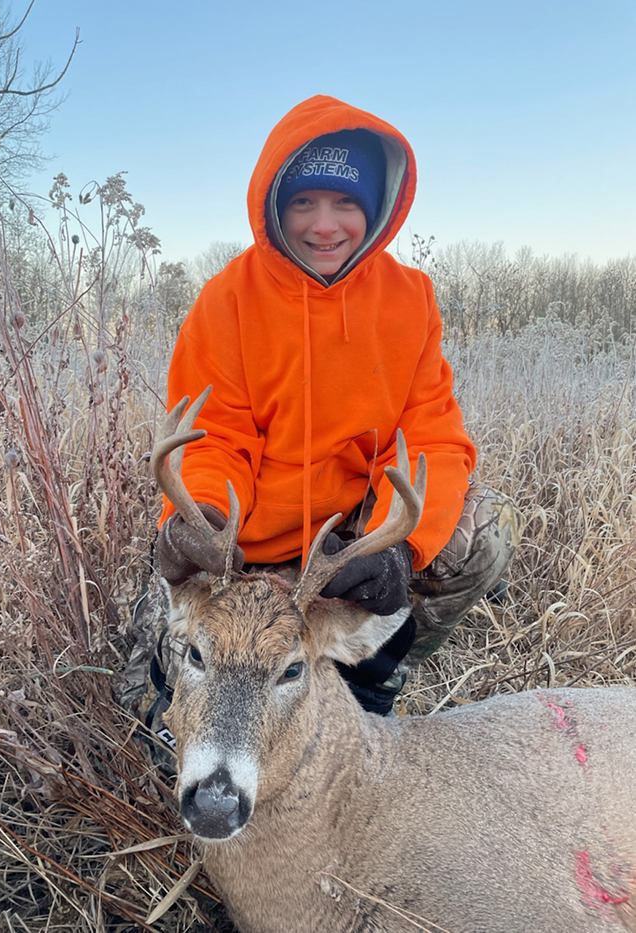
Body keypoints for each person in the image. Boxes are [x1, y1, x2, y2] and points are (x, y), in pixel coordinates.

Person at [120, 95, 522, 754]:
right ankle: (188, 691)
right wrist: (210, 521)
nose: (325, 225)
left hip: (349, 549)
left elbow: (431, 434)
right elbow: (214, 432)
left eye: (345, 202)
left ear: (377, 208)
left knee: (486, 535)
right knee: (154, 732)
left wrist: (400, 544)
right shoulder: (227, 302)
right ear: (273, 204)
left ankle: (365, 685)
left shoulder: (409, 300)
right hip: (246, 550)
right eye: (303, 201)